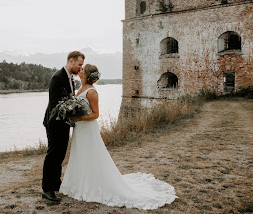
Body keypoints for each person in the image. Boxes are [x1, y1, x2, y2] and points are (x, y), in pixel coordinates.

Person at [59, 64, 178, 210]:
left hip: (88, 129)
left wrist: (78, 118)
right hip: (80, 129)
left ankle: (93, 184)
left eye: (83, 69)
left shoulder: (91, 92)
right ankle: (79, 182)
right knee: (81, 154)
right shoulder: (80, 89)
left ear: (87, 74)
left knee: (91, 154)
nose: (80, 70)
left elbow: (95, 114)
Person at [42, 51, 85, 202]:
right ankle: (47, 189)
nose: (81, 67)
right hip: (54, 123)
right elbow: (55, 104)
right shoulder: (57, 77)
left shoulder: (70, 78)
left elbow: (68, 99)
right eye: (79, 64)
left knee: (60, 155)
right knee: (53, 154)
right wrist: (72, 109)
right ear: (71, 61)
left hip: (64, 123)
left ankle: (55, 184)